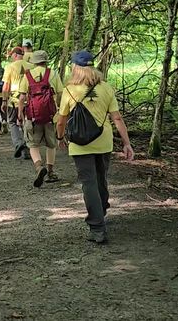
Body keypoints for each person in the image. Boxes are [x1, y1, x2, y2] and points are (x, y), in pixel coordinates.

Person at [56, 51, 134, 244]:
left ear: (75, 68)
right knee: (101, 178)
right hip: (103, 141)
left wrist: (60, 137)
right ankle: (102, 209)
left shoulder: (69, 90)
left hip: (80, 144)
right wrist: (126, 143)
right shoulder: (106, 88)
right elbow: (117, 118)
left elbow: (61, 120)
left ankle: (97, 227)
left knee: (88, 182)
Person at [18, 50, 63, 187]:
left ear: (34, 62)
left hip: (33, 116)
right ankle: (50, 172)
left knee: (32, 144)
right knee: (51, 144)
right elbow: (60, 93)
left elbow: (22, 97)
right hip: (50, 115)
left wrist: (20, 113)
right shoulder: (53, 73)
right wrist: (60, 109)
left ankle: (38, 166)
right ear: (45, 61)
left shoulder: (27, 75)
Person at [2, 47, 33, 160]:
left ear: (15, 55)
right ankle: (27, 147)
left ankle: (18, 143)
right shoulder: (31, 66)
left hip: (14, 100)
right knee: (26, 123)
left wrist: (4, 100)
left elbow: (6, 86)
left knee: (13, 122)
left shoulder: (10, 67)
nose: (10, 57)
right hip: (29, 100)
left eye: (11, 55)